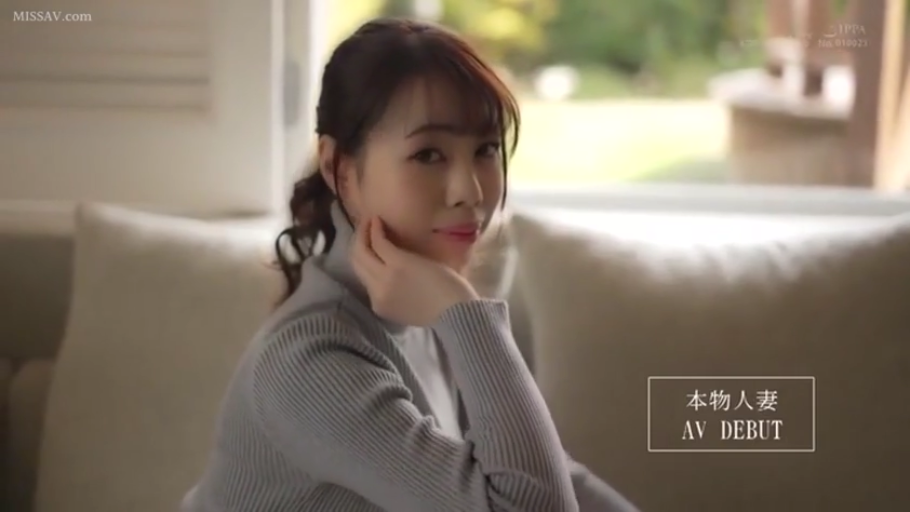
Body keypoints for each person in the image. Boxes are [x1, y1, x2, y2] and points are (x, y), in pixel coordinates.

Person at [182, 17, 639, 512]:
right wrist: (464, 316)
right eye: (428, 155)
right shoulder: (310, 363)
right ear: (340, 169)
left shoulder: (420, 304)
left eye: (485, 149)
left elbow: (555, 478)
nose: (470, 191)